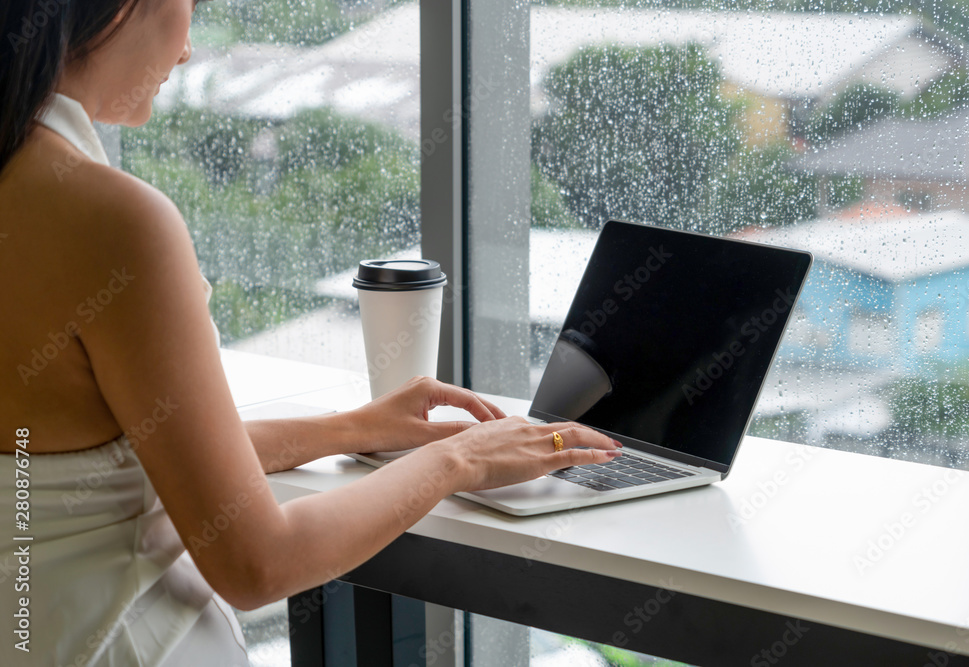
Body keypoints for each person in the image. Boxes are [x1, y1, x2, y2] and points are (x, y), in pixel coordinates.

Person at [0, 0, 622, 664]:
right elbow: (257, 563)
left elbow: (89, 467)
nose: (186, 50)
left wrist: (349, 428)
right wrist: (462, 458)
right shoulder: (115, 223)